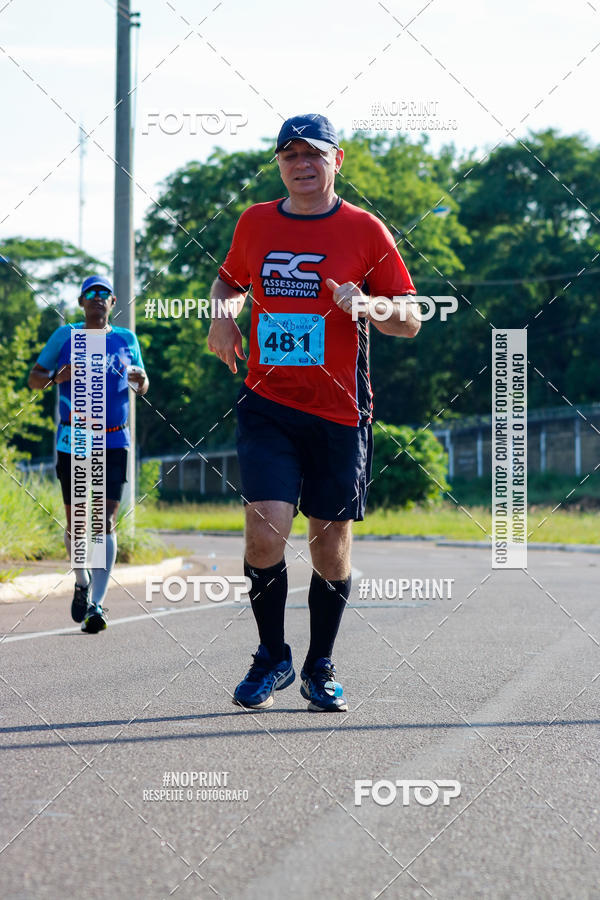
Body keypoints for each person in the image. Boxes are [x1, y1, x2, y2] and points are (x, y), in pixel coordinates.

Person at [207, 114, 420, 711]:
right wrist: (222, 318)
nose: (302, 164)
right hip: (268, 404)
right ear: (279, 164)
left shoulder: (365, 230)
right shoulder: (256, 222)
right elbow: (228, 282)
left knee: (329, 545)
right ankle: (270, 657)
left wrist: (369, 304)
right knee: (265, 527)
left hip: (339, 413)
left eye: (313, 155)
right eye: (290, 155)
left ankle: (319, 665)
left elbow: (410, 320)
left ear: (337, 161)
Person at [28, 275, 149, 633]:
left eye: (104, 294)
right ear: (82, 302)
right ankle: (81, 579)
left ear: (113, 301)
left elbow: (142, 383)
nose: (98, 298)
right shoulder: (65, 336)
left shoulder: (126, 339)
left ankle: (97, 603)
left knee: (104, 521)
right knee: (78, 522)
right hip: (75, 440)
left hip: (114, 440)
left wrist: (139, 381)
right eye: (90, 294)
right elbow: (35, 377)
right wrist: (55, 378)